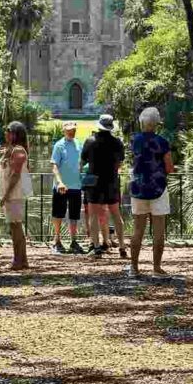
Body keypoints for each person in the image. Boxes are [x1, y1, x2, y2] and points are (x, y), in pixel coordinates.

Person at [127, 107, 174, 278]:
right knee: (159, 231)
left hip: (138, 188)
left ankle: (134, 268)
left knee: (138, 230)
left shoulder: (135, 140)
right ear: (156, 124)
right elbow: (169, 167)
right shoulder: (162, 142)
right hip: (158, 188)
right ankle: (156, 268)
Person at [81, 113, 126, 259]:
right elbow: (120, 163)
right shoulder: (118, 142)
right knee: (116, 214)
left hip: (93, 182)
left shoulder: (90, 141)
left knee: (93, 215)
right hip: (111, 181)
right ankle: (122, 247)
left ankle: (96, 247)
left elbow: (82, 163)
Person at [0, 121, 33, 270]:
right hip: (10, 194)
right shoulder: (10, 150)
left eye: (8, 131)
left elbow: (15, 175)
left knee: (16, 226)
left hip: (14, 194)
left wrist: (5, 195)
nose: (6, 133)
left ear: (15, 134)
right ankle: (22, 260)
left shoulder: (18, 150)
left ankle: (18, 261)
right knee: (14, 226)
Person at [50, 120, 86, 254]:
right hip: (61, 186)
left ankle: (73, 241)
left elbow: (82, 162)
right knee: (58, 213)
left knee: (74, 215)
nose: (72, 132)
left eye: (74, 130)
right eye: (69, 130)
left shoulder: (79, 144)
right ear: (64, 131)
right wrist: (59, 182)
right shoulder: (59, 145)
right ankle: (57, 240)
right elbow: (54, 165)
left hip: (76, 185)